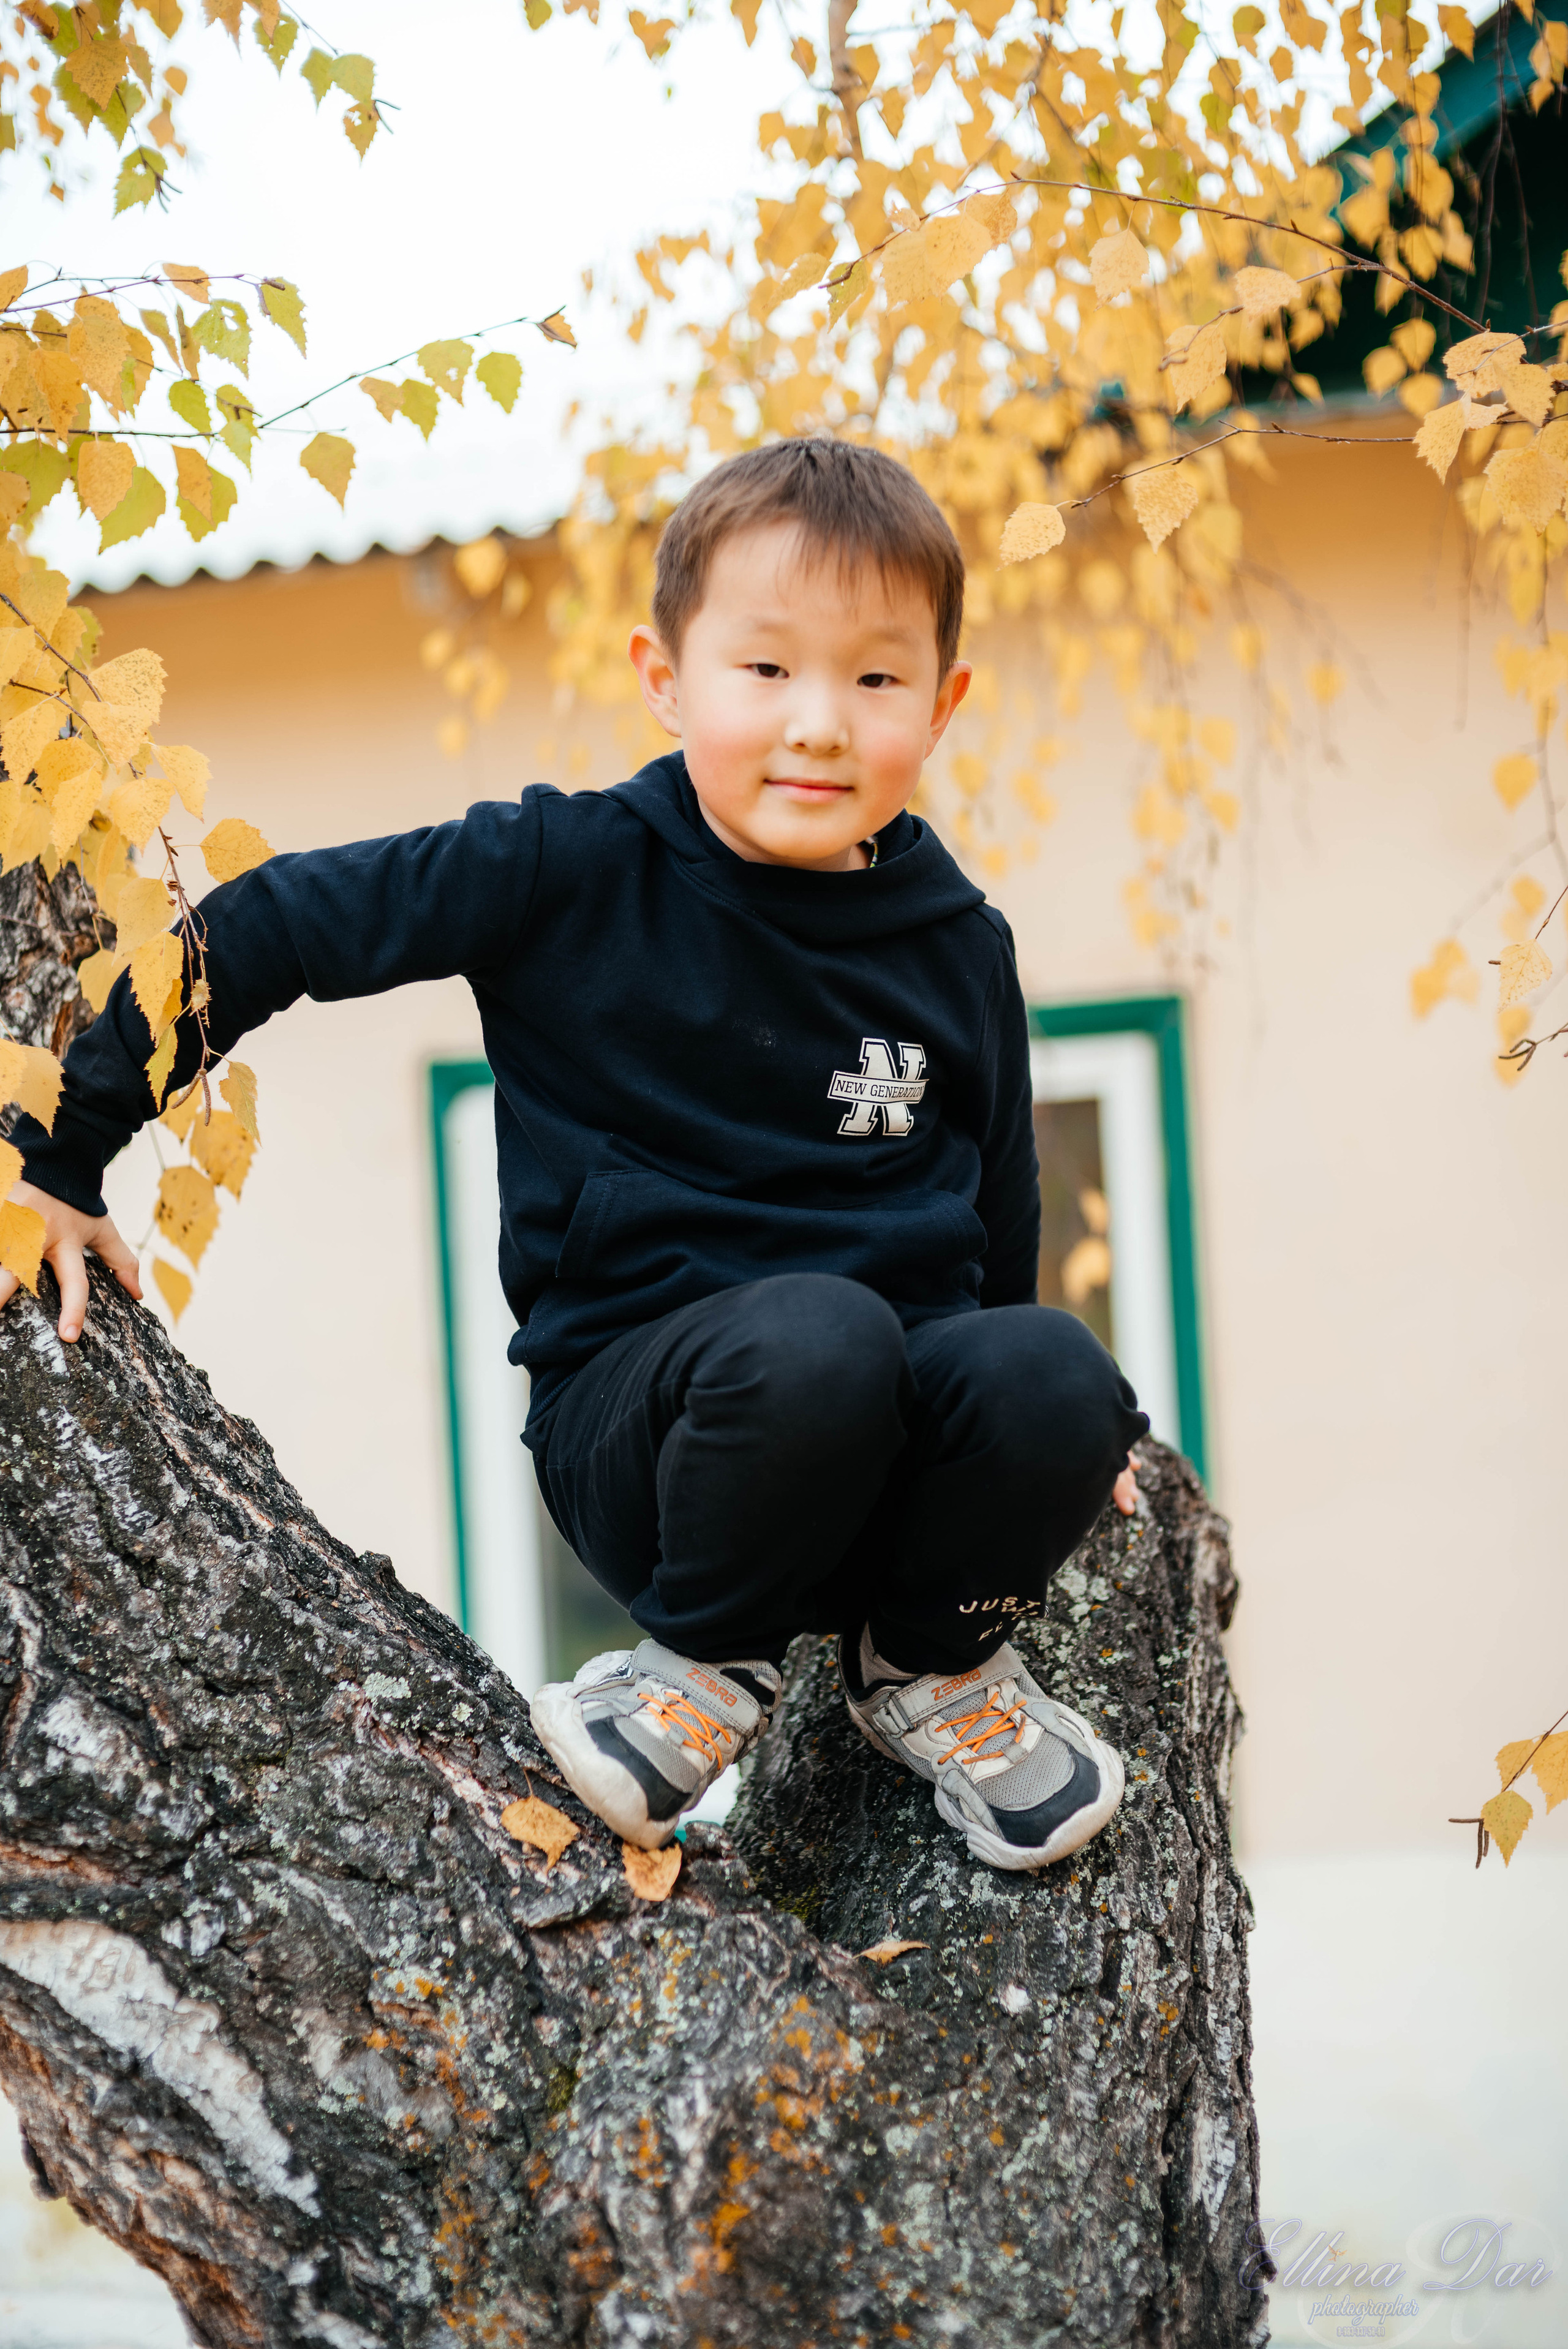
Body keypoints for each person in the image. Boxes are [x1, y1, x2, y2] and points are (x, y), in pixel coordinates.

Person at [1, 439, 1148, 1872]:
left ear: (943, 701)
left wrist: (1038, 1441)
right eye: (764, 672)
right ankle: (699, 1667)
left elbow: (996, 1202)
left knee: (1060, 1371)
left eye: (873, 679)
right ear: (664, 679)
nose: (819, 724)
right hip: (656, 1442)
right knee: (818, 1337)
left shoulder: (953, 942)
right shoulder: (564, 868)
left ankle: (926, 1672)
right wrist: (63, 1150)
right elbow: (280, 922)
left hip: (891, 1463)